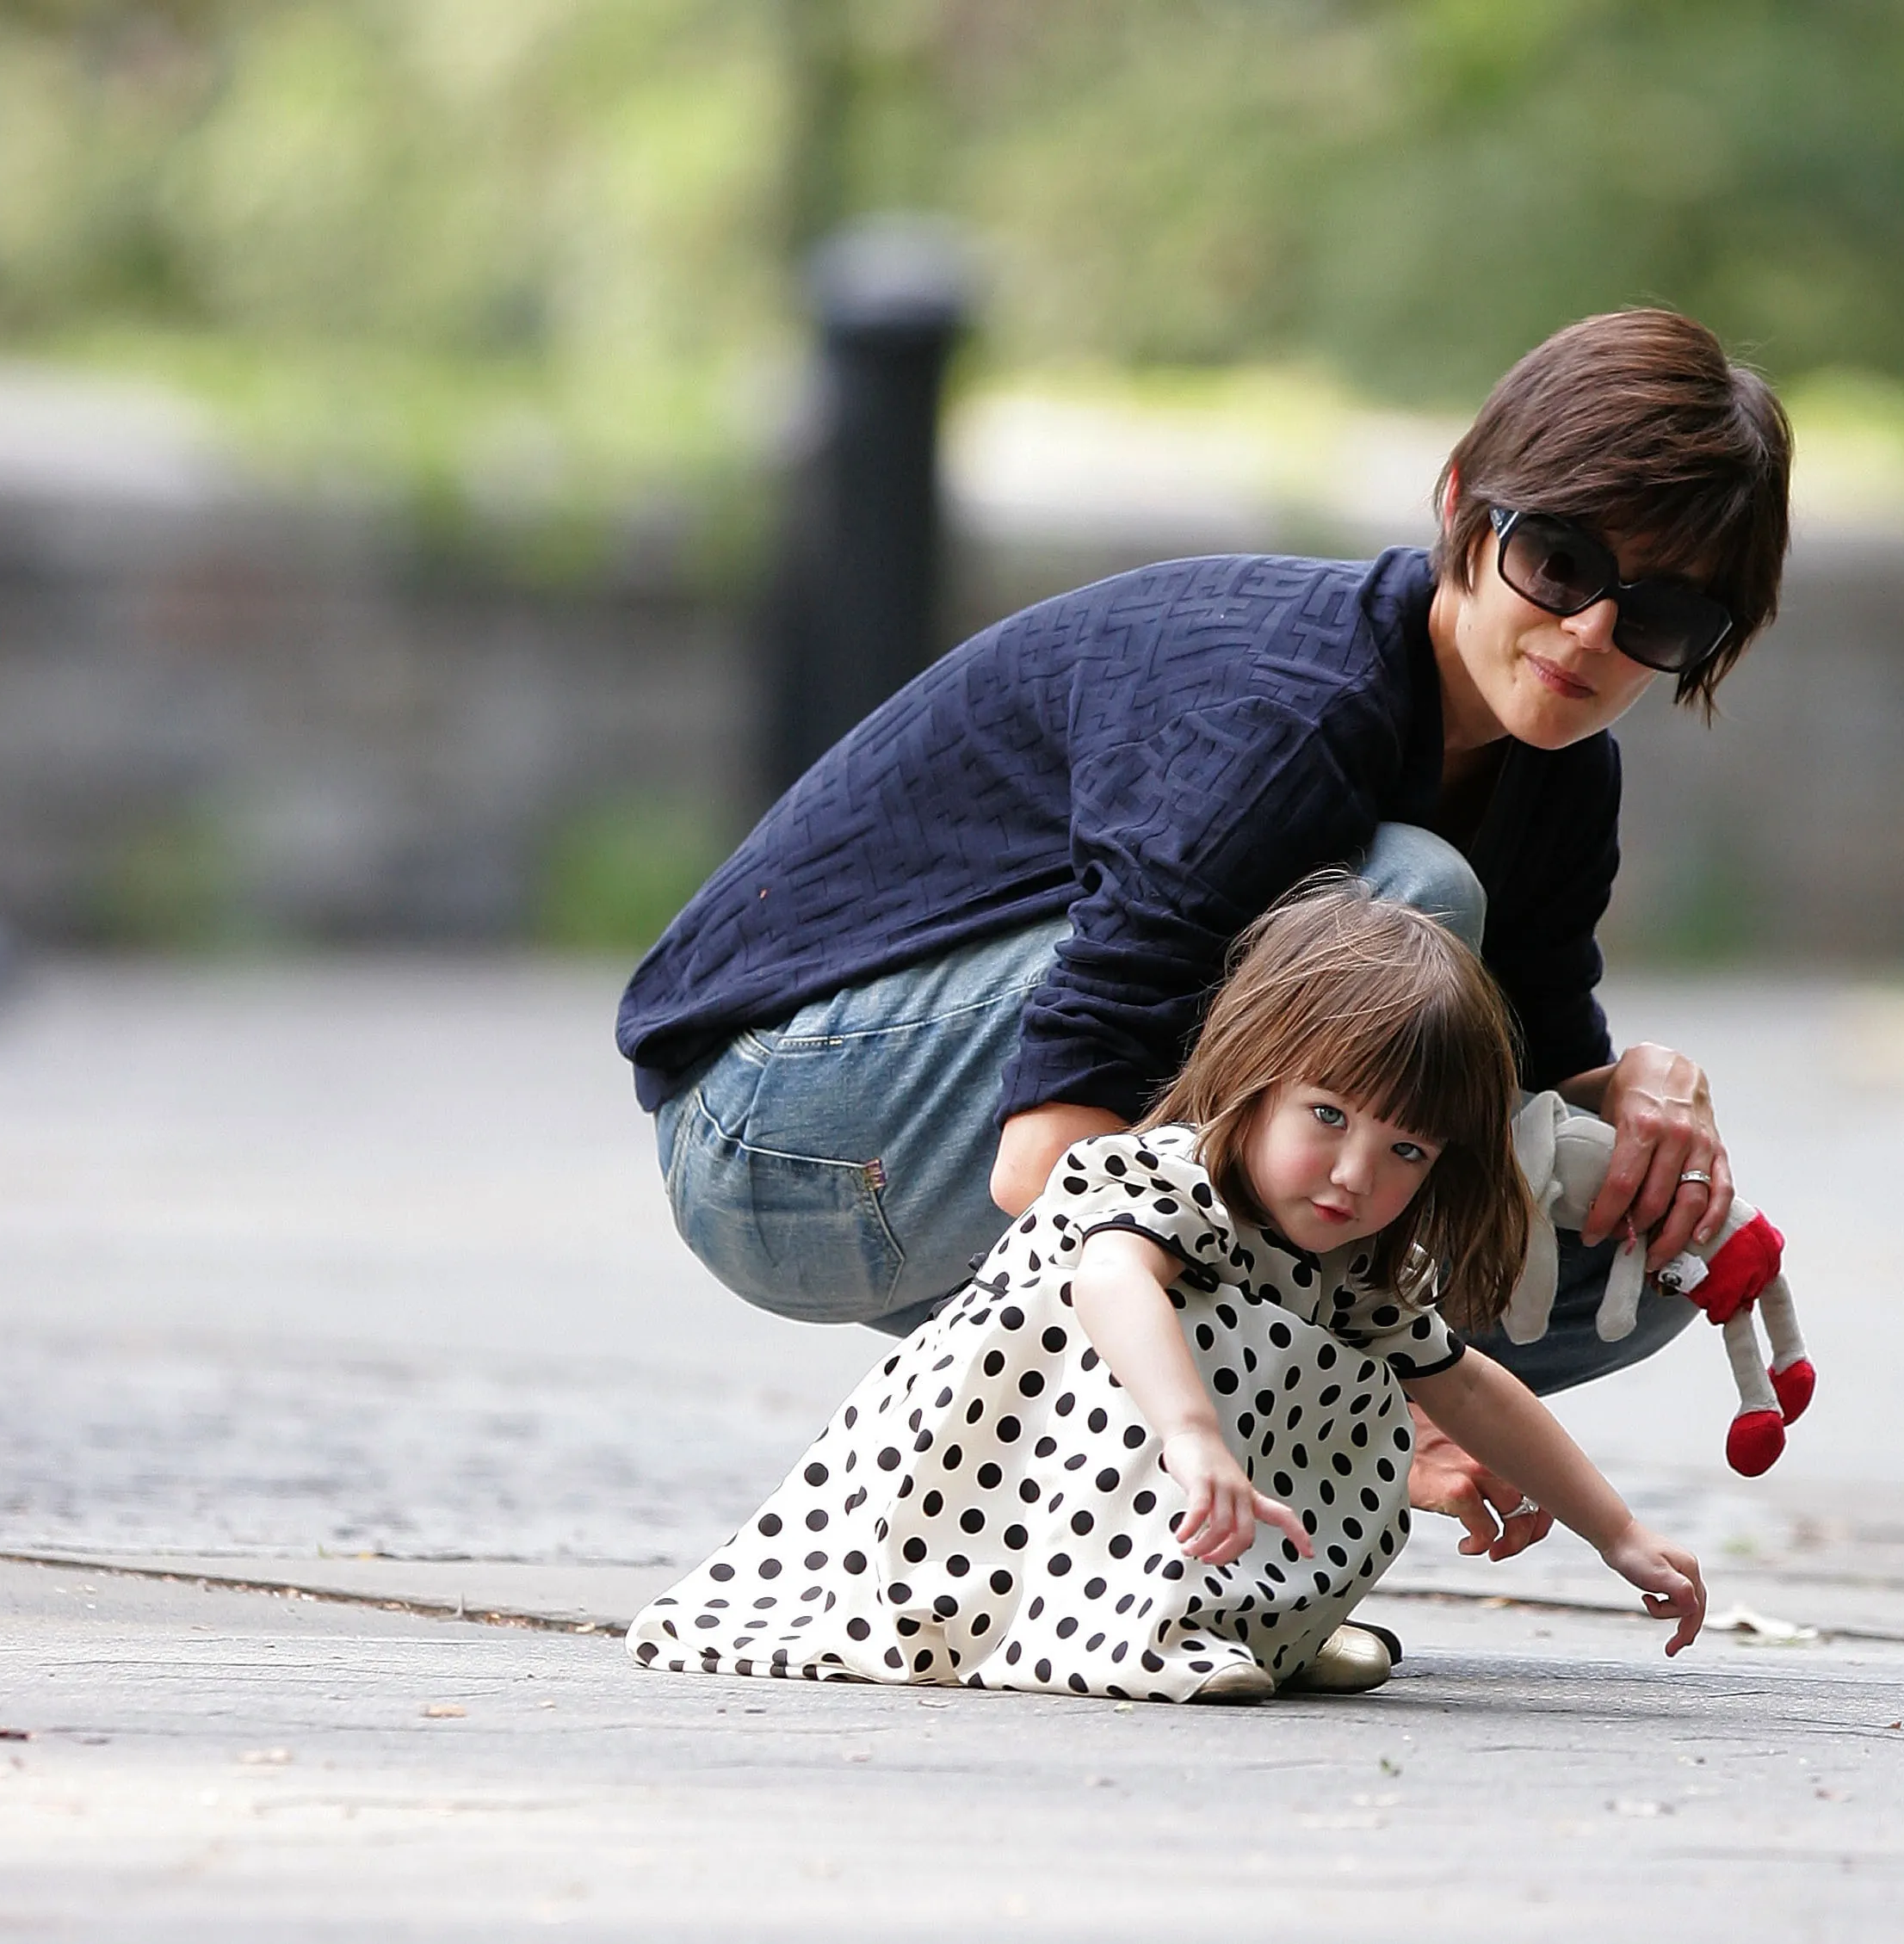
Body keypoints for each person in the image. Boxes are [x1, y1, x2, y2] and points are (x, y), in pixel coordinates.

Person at [615, 305, 1792, 1564]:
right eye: (1560, 563)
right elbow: (1052, 1163)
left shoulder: (1560, 772)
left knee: (1639, 1246)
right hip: (784, 1132)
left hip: (982, 1163)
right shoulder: (1289, 711)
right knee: (1399, 912)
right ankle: (1200, 1474)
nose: (1591, 636)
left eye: (1663, 617)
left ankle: (1216, 1543)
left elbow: (1517, 1080)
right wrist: (1353, 1393)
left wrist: (1647, 1087)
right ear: (1460, 506)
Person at [627, 886, 1707, 1701]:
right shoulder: (1171, 1174)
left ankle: (1260, 1614)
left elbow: (1468, 1385)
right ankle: (1122, 1627)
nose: (1353, 1176)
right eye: (1327, 1116)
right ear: (1253, 1079)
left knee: (1362, 1380)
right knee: (1220, 1336)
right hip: (1017, 1480)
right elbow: (1109, 1279)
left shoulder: (1351, 1256)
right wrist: (1193, 1436)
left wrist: (1616, 1534)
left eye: (1407, 1149)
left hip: (1191, 1495)